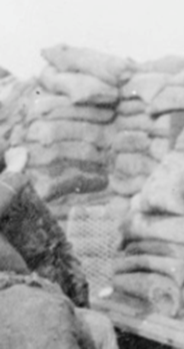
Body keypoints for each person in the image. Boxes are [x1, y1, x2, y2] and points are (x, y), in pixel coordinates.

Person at [0, 147, 118, 349]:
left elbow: (55, 245)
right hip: (12, 300)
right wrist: (12, 172)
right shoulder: (9, 182)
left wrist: (76, 295)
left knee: (99, 327)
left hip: (40, 290)